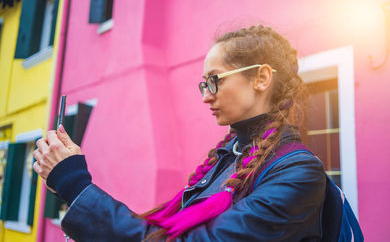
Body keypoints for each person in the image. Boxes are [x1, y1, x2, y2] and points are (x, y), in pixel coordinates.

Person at [33, 25, 326, 241]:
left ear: (261, 78)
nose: (205, 97)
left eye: (214, 81)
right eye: (204, 85)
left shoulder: (298, 172)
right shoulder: (228, 157)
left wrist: (74, 185)